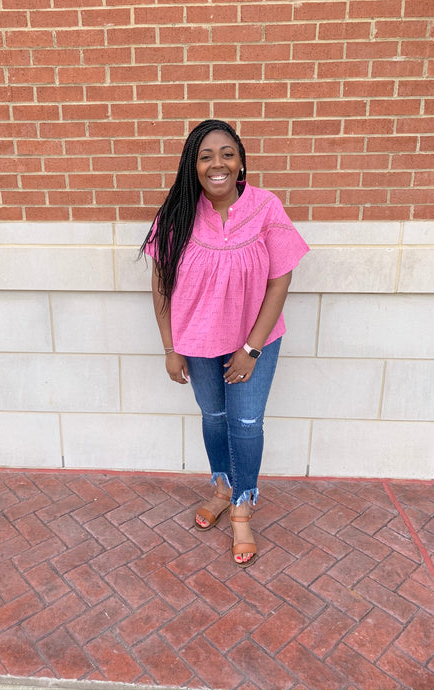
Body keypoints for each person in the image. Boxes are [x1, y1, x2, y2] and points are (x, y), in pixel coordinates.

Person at [140, 119, 309, 568]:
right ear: (192, 166)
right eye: (206, 156)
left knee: (246, 423)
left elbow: (280, 281)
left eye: (227, 154)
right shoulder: (177, 213)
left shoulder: (265, 207)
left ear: (241, 161)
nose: (218, 164)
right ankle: (221, 488)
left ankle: (242, 506)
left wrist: (251, 348)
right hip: (197, 340)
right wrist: (169, 346)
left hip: (255, 341)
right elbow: (161, 284)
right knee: (214, 418)